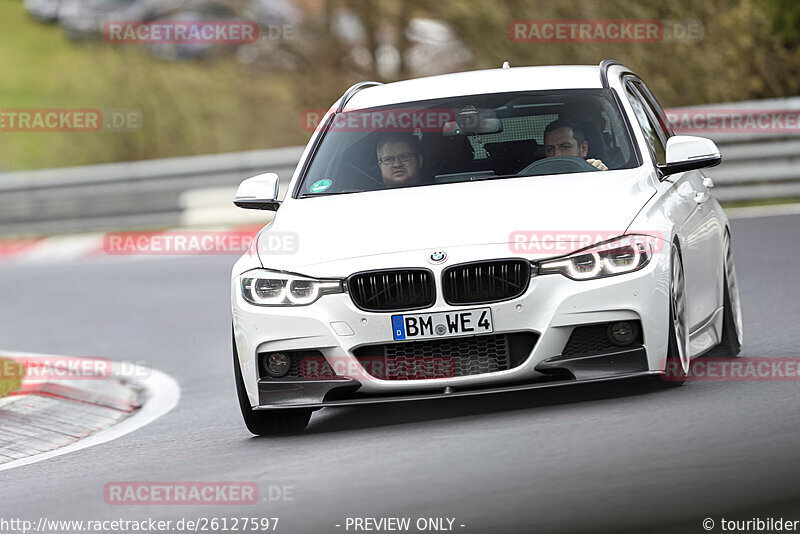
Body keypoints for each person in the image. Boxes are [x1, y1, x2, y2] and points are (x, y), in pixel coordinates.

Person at [543, 119, 608, 170]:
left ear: (583, 149)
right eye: (550, 149)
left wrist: (602, 174)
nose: (556, 155)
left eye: (565, 147)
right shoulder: (537, 178)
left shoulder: (592, 173)